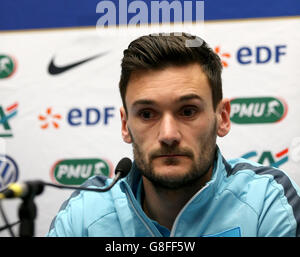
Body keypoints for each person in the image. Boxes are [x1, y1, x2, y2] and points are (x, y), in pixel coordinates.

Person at [47, 33, 300, 237]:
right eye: (147, 114)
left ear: (222, 118)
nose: (168, 135)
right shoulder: (85, 212)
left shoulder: (269, 199)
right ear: (125, 125)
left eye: (188, 111)